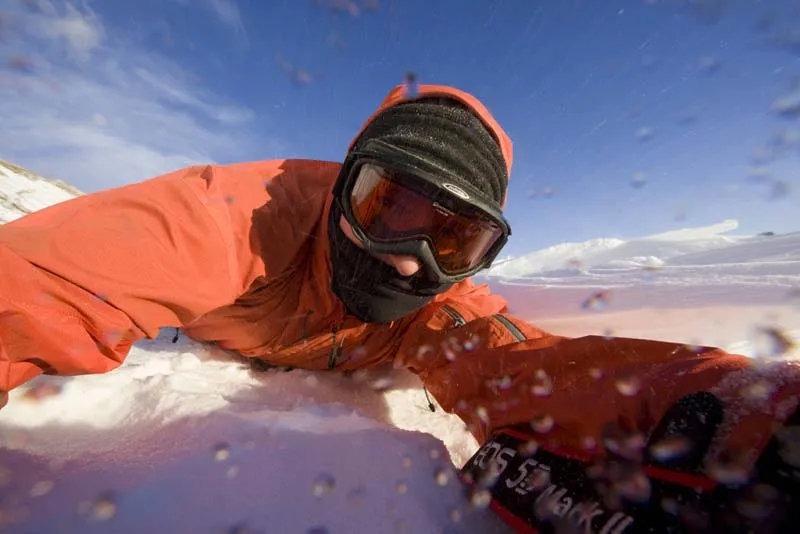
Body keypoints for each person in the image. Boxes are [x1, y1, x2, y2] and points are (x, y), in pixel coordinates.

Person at [0, 83, 798, 532]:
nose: (407, 255)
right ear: (341, 185)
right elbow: (43, 284)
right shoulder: (235, 218)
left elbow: (527, 367)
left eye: (454, 237)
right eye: (387, 205)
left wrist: (747, 412)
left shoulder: (434, 307)